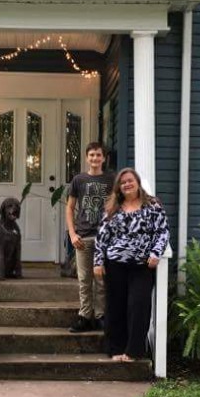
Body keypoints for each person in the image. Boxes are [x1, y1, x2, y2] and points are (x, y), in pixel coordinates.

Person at [94, 168, 170, 362]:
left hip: (141, 265)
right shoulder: (112, 207)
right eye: (123, 182)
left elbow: (163, 232)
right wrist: (98, 261)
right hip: (115, 263)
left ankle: (134, 351)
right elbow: (102, 236)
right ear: (118, 187)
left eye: (130, 181)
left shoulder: (153, 205)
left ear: (137, 183)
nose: (127, 184)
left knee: (139, 305)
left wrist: (155, 253)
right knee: (116, 306)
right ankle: (116, 349)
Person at [66, 142, 116, 332]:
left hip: (105, 239)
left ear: (103, 158)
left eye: (98, 155)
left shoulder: (111, 179)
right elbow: (70, 208)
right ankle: (85, 316)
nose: (95, 158)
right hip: (83, 237)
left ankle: (101, 316)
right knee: (84, 279)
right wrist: (72, 233)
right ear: (87, 158)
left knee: (102, 279)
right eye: (92, 155)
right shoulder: (79, 180)